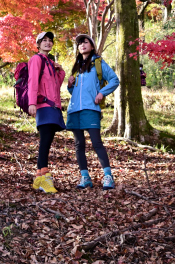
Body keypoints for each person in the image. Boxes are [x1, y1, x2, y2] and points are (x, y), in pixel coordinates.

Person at [66, 33, 120, 189]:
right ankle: (85, 178)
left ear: (91, 45)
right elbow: (76, 92)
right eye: (79, 43)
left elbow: (114, 80)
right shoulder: (76, 66)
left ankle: (108, 177)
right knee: (78, 144)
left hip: (91, 108)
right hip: (74, 109)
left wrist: (102, 93)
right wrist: (70, 85)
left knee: (96, 142)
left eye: (85, 42)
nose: (82, 45)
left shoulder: (99, 63)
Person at [28, 31, 66, 193]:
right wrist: (31, 103)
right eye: (44, 40)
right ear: (38, 44)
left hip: (53, 107)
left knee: (47, 141)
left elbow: (56, 85)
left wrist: (61, 71)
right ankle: (43, 176)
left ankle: (39, 177)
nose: (48, 43)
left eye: (50, 40)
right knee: (45, 141)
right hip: (43, 106)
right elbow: (32, 81)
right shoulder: (36, 59)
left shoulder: (50, 62)